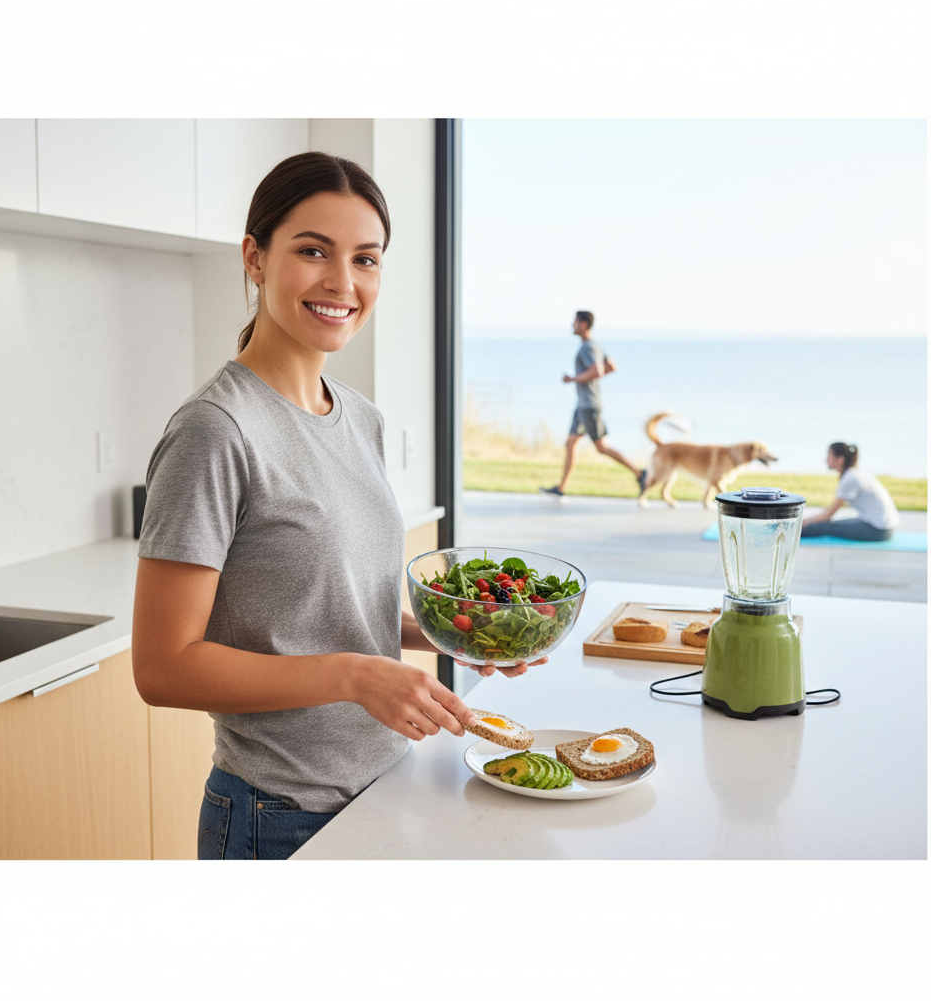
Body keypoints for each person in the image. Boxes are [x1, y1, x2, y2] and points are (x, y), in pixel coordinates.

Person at [131, 152, 545, 861]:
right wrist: (356, 677)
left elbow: (331, 614)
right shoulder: (215, 430)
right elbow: (163, 667)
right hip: (278, 814)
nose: (343, 283)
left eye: (366, 259)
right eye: (313, 251)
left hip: (386, 786)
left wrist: (458, 637)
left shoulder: (359, 417)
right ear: (255, 258)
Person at [540, 310, 647, 497]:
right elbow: (611, 366)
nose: (572, 325)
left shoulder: (587, 347)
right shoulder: (594, 345)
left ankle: (640, 474)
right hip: (583, 405)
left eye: (574, 322)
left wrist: (573, 379)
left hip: (589, 406)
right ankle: (561, 488)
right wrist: (587, 378)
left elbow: (597, 371)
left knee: (601, 447)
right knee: (571, 443)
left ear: (583, 324)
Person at [800, 442, 899, 541]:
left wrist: (805, 522)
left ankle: (795, 532)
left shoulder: (850, 478)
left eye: (829, 455)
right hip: (883, 526)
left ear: (840, 459)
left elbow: (828, 514)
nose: (826, 460)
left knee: (825, 527)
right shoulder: (853, 473)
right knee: (828, 524)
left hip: (878, 530)